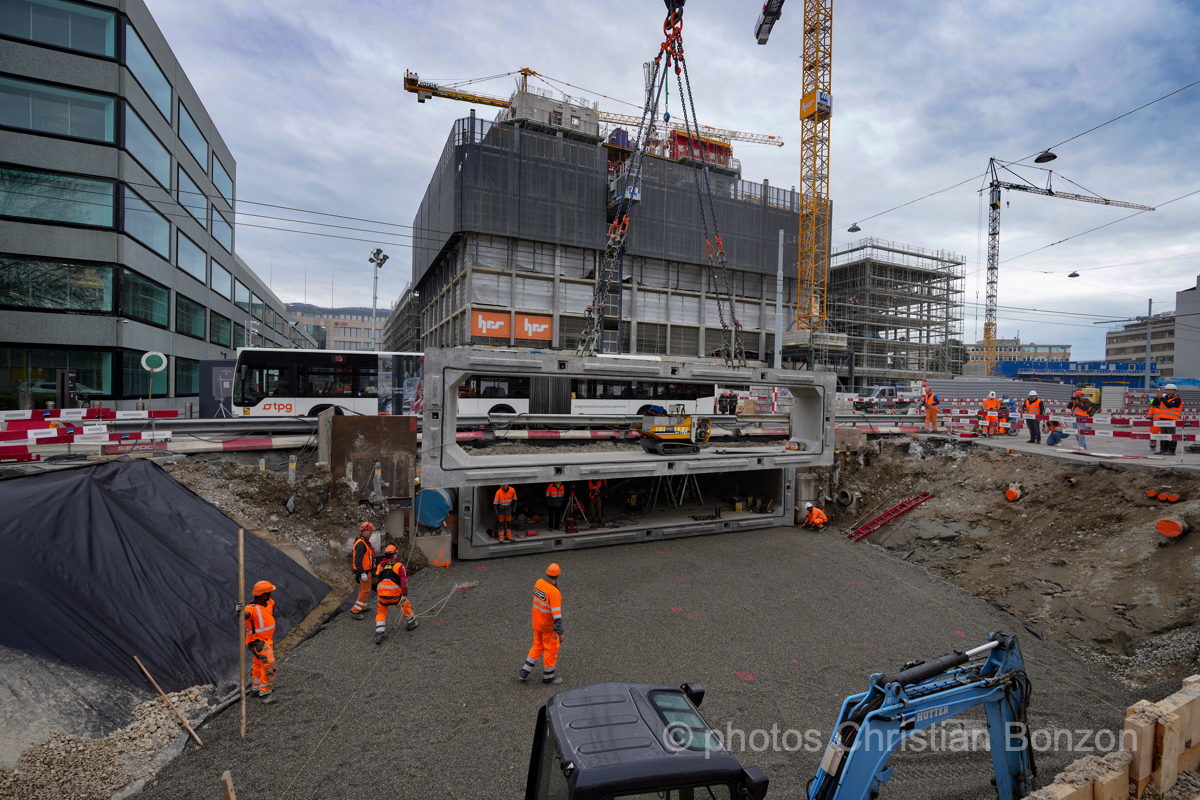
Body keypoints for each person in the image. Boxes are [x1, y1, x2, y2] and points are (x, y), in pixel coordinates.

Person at [519, 563, 564, 685]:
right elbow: (557, 616)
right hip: (548, 628)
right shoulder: (554, 592)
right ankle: (548, 678)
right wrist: (560, 632)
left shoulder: (538, 583)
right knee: (551, 650)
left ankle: (524, 672)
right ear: (558, 576)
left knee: (537, 646)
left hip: (537, 623)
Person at [236, 580, 278, 704]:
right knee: (269, 665)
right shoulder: (251, 609)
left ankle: (256, 687)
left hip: (267, 640)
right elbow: (245, 615)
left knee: (259, 664)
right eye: (270, 592)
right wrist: (240, 612)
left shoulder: (269, 603)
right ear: (265, 595)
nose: (271, 594)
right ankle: (264, 694)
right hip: (257, 642)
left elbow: (269, 612)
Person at [374, 544, 417, 644]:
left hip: (382, 596)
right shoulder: (399, 566)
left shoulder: (380, 566)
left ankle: (379, 634)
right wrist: (405, 593)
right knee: (405, 605)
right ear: (394, 555)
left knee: (381, 613)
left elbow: (379, 575)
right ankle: (411, 622)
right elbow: (404, 581)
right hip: (395, 596)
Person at [349, 521, 376, 619]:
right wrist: (362, 573)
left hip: (366, 571)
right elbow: (357, 560)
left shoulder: (364, 542)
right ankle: (355, 610)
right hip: (364, 572)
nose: (372, 533)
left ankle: (363, 607)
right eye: (370, 531)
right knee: (366, 591)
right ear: (365, 531)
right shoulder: (361, 544)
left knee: (364, 590)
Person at [1158, 384, 1183, 456]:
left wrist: (1162, 398)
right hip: (1162, 418)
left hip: (1171, 419)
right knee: (1163, 435)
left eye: (1168, 390)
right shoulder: (1165, 397)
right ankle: (1163, 449)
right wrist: (1157, 398)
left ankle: (1171, 451)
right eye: (1166, 390)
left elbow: (1169, 405)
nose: (1167, 391)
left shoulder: (1177, 399)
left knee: (1171, 435)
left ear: (1173, 390)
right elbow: (1155, 404)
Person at [1148, 387, 1164, 453]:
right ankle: (1154, 446)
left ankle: (1159, 447)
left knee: (1160, 435)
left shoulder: (1154, 407)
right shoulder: (1154, 406)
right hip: (1156, 422)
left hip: (1156, 422)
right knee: (1156, 435)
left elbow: (1150, 414)